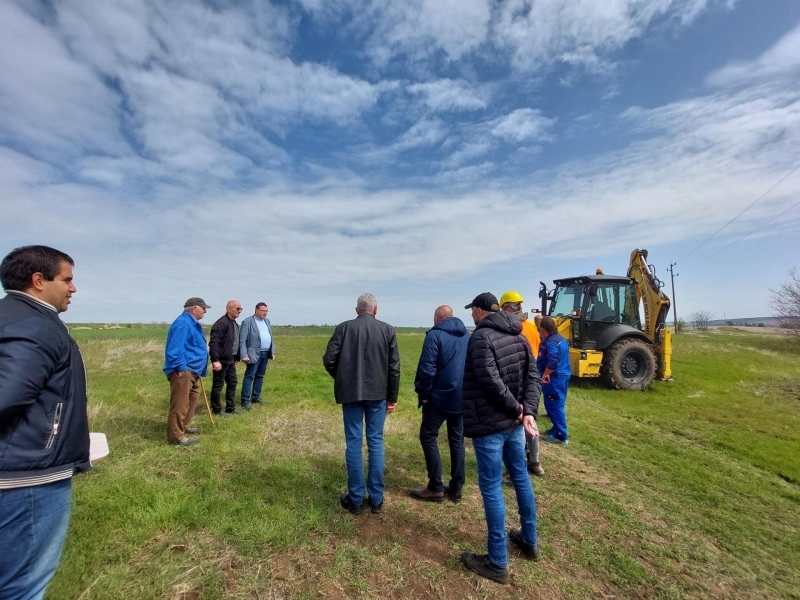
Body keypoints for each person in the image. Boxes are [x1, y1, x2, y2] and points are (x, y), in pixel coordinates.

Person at [0, 245, 90, 600]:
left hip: (17, 464)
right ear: (39, 280)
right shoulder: (36, 325)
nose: (73, 288)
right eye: (67, 279)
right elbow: (7, 396)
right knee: (22, 587)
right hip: (26, 478)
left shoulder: (10, 316)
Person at [460, 292, 542, 585]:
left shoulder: (480, 338)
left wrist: (521, 410)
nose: (471, 315)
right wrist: (527, 411)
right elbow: (533, 378)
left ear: (482, 312)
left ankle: (497, 560)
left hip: (491, 425)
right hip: (514, 425)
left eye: (473, 311)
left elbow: (489, 380)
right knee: (520, 477)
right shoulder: (519, 336)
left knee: (493, 488)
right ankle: (529, 539)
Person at [323, 293, 400, 515]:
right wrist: (392, 396)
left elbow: (329, 359)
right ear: (375, 310)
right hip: (378, 394)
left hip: (352, 394)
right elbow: (394, 367)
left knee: (354, 443)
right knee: (376, 442)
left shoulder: (344, 328)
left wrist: (343, 379)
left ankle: (356, 499)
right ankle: (376, 499)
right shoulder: (387, 330)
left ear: (357, 310)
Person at [411, 305, 469, 504]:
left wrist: (424, 393)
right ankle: (457, 487)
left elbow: (427, 368)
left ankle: (435, 487)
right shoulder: (467, 337)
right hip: (461, 396)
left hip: (438, 397)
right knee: (457, 440)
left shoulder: (434, 336)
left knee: (428, 436)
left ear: (436, 318)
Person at [499, 291, 544, 477]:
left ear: (508, 308)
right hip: (532, 377)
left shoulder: (514, 328)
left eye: (503, 309)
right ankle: (534, 461)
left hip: (518, 378)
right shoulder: (532, 327)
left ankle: (514, 469)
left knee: (516, 425)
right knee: (530, 419)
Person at [163, 297, 210, 446]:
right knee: (180, 404)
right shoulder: (183, 323)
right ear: (194, 308)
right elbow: (175, 349)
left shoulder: (192, 323)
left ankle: (182, 426)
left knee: (192, 400)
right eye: (203, 308)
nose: (205, 311)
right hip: (183, 372)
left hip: (193, 371)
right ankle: (176, 437)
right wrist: (182, 368)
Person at [537, 316, 571, 444]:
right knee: (558, 404)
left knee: (553, 405)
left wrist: (545, 373)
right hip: (563, 375)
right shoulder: (561, 339)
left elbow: (553, 360)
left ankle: (561, 435)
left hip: (554, 378)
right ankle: (556, 428)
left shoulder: (551, 342)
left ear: (543, 328)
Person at [239, 302, 275, 410]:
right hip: (253, 354)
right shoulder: (247, 322)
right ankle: (245, 400)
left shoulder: (267, 322)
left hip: (265, 353)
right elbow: (242, 340)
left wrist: (272, 352)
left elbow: (270, 337)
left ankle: (255, 397)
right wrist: (244, 355)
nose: (265, 313)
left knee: (260, 375)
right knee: (250, 376)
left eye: (266, 311)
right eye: (263, 310)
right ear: (256, 310)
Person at [209, 300, 242, 417]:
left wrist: (236, 357)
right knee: (218, 385)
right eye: (237, 308)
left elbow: (235, 342)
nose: (240, 311)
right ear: (228, 309)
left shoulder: (234, 323)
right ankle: (217, 410)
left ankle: (230, 408)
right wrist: (215, 360)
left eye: (240, 309)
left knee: (232, 382)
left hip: (230, 360)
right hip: (221, 360)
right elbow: (214, 343)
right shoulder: (221, 323)